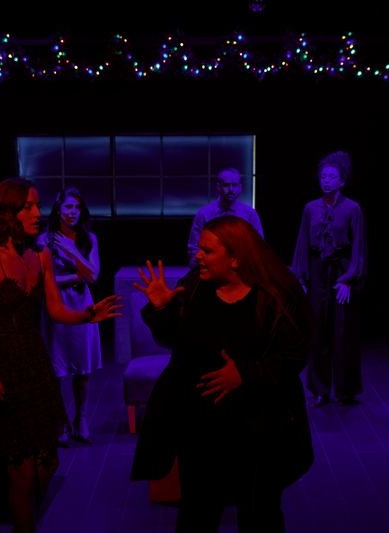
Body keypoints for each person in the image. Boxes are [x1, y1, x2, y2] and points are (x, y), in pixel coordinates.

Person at [0, 178, 121, 533]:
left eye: (36, 205)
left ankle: (25, 513)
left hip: (32, 361)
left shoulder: (40, 255)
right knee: (21, 470)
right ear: (6, 213)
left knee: (47, 463)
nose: (37, 213)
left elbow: (56, 309)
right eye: (27, 207)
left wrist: (88, 315)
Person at [131, 216, 313, 533]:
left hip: (258, 427)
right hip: (201, 428)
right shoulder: (194, 286)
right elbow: (174, 340)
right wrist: (162, 309)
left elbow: (295, 355)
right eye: (199, 249)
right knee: (197, 512)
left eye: (207, 250)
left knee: (260, 512)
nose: (197, 256)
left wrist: (245, 373)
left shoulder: (275, 296)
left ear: (235, 258)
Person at [292, 150, 367, 406]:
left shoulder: (353, 208)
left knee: (344, 332)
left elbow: (358, 245)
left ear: (342, 181)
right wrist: (301, 277)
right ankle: (319, 389)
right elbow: (302, 244)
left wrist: (349, 278)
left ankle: (346, 389)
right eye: (323, 176)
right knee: (317, 331)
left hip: (341, 269)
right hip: (317, 270)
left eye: (332, 177)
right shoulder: (310, 208)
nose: (326, 181)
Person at [38, 187, 101, 443]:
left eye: (77, 207)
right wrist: (76, 276)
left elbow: (94, 275)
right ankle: (61, 419)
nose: (72, 212)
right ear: (58, 209)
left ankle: (81, 417)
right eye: (68, 207)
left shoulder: (89, 239)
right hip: (58, 304)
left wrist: (72, 250)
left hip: (82, 303)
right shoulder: (45, 240)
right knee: (58, 366)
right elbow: (45, 280)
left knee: (82, 365)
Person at [186, 167, 263, 266]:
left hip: (242, 267)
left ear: (240, 187)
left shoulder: (250, 214)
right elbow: (194, 248)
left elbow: (259, 246)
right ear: (218, 187)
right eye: (226, 185)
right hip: (211, 267)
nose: (231, 190)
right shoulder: (204, 214)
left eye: (234, 185)